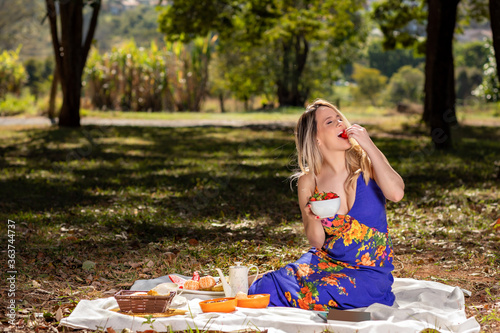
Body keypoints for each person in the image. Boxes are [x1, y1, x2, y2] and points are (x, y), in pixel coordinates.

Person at [248, 99, 405, 310]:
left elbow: (396, 193)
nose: (340, 123)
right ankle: (251, 281)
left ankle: (292, 291)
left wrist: (368, 144)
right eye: (330, 122)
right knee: (266, 286)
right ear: (316, 138)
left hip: (369, 274)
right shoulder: (309, 181)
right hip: (324, 263)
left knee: (325, 290)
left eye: (340, 118)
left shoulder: (368, 165)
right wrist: (312, 216)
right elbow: (317, 241)